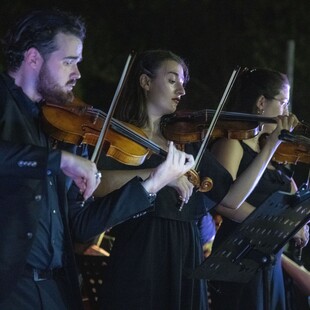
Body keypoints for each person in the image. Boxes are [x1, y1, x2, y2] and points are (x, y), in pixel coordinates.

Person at [0, 10, 196, 310]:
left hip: (54, 290)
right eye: (69, 62)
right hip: (11, 289)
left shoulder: (67, 129)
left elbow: (80, 225)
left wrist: (152, 183)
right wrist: (56, 160)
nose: (77, 73)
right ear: (33, 58)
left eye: (78, 63)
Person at [94, 51, 297, 310]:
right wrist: (159, 176)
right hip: (142, 252)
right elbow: (98, 184)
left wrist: (271, 146)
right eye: (172, 80)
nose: (181, 90)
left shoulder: (187, 143)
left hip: (186, 253)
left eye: (183, 83)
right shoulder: (120, 137)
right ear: (145, 83)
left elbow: (231, 199)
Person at [209, 68, 308, 310]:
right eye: (283, 103)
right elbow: (225, 203)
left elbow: (290, 203)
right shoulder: (233, 144)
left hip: (270, 262)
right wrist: (277, 225)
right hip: (239, 258)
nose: (287, 113)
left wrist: (299, 224)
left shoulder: (276, 155)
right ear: (262, 102)